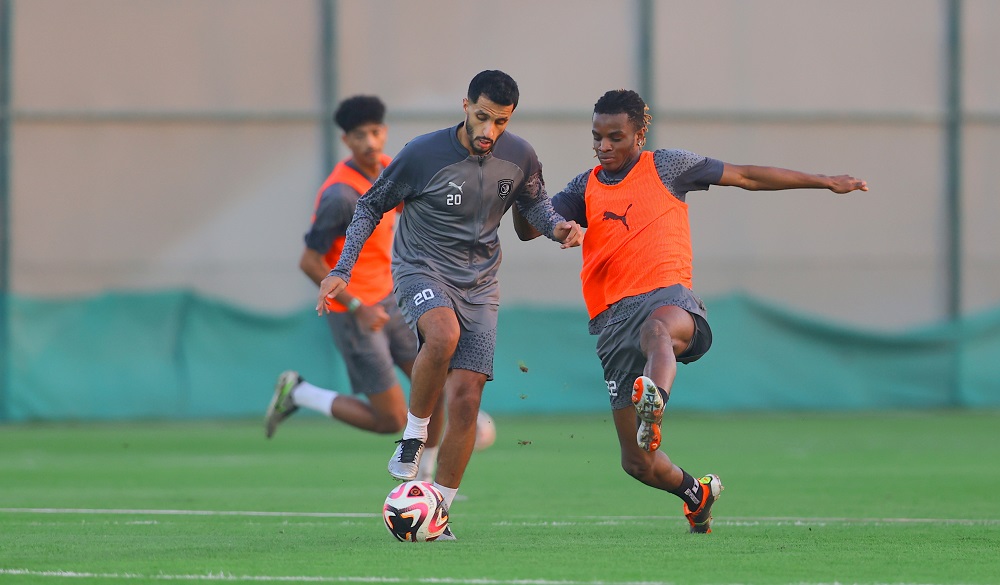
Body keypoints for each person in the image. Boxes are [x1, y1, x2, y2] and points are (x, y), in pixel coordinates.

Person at [531, 89, 868, 534]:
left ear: (639, 133)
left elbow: (746, 176)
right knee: (637, 463)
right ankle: (696, 493)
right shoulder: (585, 186)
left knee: (657, 332)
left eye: (615, 137)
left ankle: (655, 402)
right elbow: (531, 224)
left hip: (669, 303)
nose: (604, 146)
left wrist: (823, 179)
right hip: (612, 324)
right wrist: (541, 210)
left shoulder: (666, 166)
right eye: (597, 137)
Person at [318, 71, 584, 537]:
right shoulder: (423, 154)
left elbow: (537, 205)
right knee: (442, 334)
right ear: (465, 105)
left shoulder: (520, 155)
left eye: (499, 122)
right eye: (481, 117)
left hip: (481, 284)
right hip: (421, 267)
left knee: (467, 399)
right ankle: (414, 435)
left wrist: (560, 227)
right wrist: (342, 269)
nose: (488, 131)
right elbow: (369, 205)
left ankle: (438, 513)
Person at [264, 95, 447, 482]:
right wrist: (356, 304)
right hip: (354, 314)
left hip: (392, 300)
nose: (371, 141)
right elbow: (309, 262)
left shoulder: (389, 169)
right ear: (346, 140)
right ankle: (299, 393)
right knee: (392, 419)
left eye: (376, 132)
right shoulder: (340, 195)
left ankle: (426, 482)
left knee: (436, 384)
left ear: (385, 132)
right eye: (360, 135)